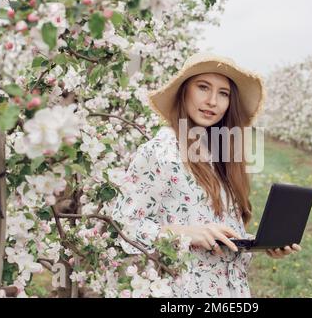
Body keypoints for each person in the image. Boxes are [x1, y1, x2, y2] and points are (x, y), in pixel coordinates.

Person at [112, 52, 301, 297]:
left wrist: (254, 243)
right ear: (184, 91)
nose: (213, 101)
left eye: (224, 93)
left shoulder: (222, 155)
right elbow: (124, 225)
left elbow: (221, 227)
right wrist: (185, 233)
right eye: (203, 87)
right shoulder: (160, 151)